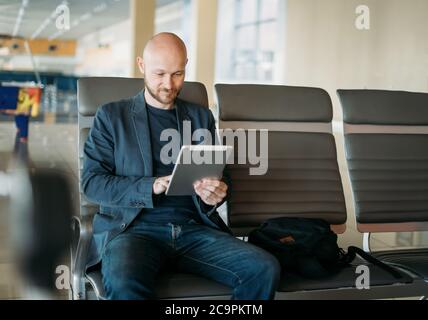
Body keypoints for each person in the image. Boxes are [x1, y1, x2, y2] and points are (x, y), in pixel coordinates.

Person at [82, 32, 280, 300]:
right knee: (124, 282)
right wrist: (151, 185)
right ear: (141, 65)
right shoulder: (112, 116)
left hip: (193, 230)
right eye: (160, 74)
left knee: (263, 268)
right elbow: (91, 183)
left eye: (178, 73)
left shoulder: (200, 117)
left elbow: (222, 176)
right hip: (133, 231)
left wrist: (217, 193)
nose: (169, 84)